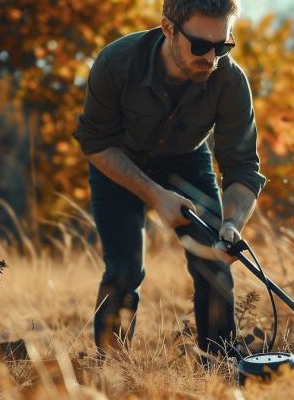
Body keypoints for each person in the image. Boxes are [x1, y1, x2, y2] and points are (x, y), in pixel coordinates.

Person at [72, 0, 266, 361]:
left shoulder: (231, 81)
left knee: (215, 260)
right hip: (118, 161)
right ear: (168, 28)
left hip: (186, 161)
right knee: (125, 270)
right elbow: (94, 143)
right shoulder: (116, 63)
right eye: (200, 46)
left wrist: (231, 224)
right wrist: (155, 195)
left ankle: (220, 364)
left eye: (222, 47)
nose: (211, 58)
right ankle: (112, 367)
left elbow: (242, 169)